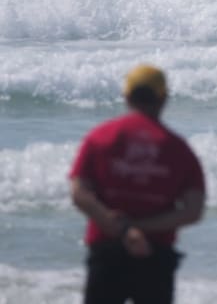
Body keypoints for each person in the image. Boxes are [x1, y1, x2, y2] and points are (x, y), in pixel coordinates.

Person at [69, 64, 206, 304]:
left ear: (127, 96)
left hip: (107, 250)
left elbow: (79, 192)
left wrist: (121, 228)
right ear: (163, 99)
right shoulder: (178, 148)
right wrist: (141, 227)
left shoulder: (101, 137)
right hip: (155, 255)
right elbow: (193, 210)